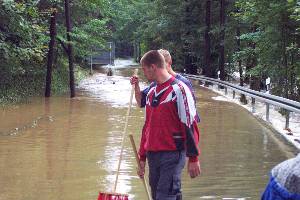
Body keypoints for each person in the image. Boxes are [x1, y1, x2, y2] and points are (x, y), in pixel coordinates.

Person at [133, 50, 201, 200]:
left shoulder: (180, 89)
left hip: (173, 153)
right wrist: (142, 157)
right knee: (160, 194)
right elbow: (147, 127)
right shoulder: (151, 92)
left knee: (165, 195)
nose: (144, 73)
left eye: (144, 69)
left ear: (153, 67)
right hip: (153, 153)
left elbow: (190, 124)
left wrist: (194, 158)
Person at [131, 49, 200, 123]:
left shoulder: (183, 84)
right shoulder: (154, 85)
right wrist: (136, 85)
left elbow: (191, 116)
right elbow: (141, 102)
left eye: (163, 63)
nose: (160, 66)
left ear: (169, 62)